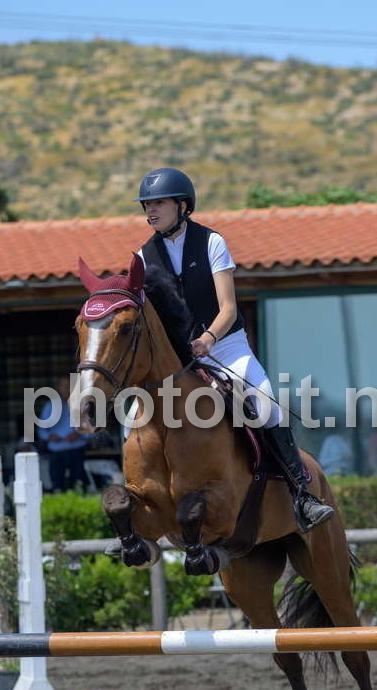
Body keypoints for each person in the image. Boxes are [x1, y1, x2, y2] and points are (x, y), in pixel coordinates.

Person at [135, 167, 334, 533]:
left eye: (158, 203)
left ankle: (302, 496)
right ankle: (140, 511)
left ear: (182, 205)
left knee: (265, 403)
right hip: (179, 358)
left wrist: (209, 338)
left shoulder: (211, 242)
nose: (151, 210)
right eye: (147, 204)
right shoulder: (144, 256)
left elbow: (228, 308)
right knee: (137, 417)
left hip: (224, 347)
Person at [38, 377, 89, 492]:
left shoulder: (82, 406)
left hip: (77, 450)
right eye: (64, 386)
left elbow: (91, 429)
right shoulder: (50, 406)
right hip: (56, 451)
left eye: (69, 386)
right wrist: (49, 437)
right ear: (58, 388)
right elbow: (41, 430)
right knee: (57, 485)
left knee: (78, 485)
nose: (66, 388)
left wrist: (79, 434)